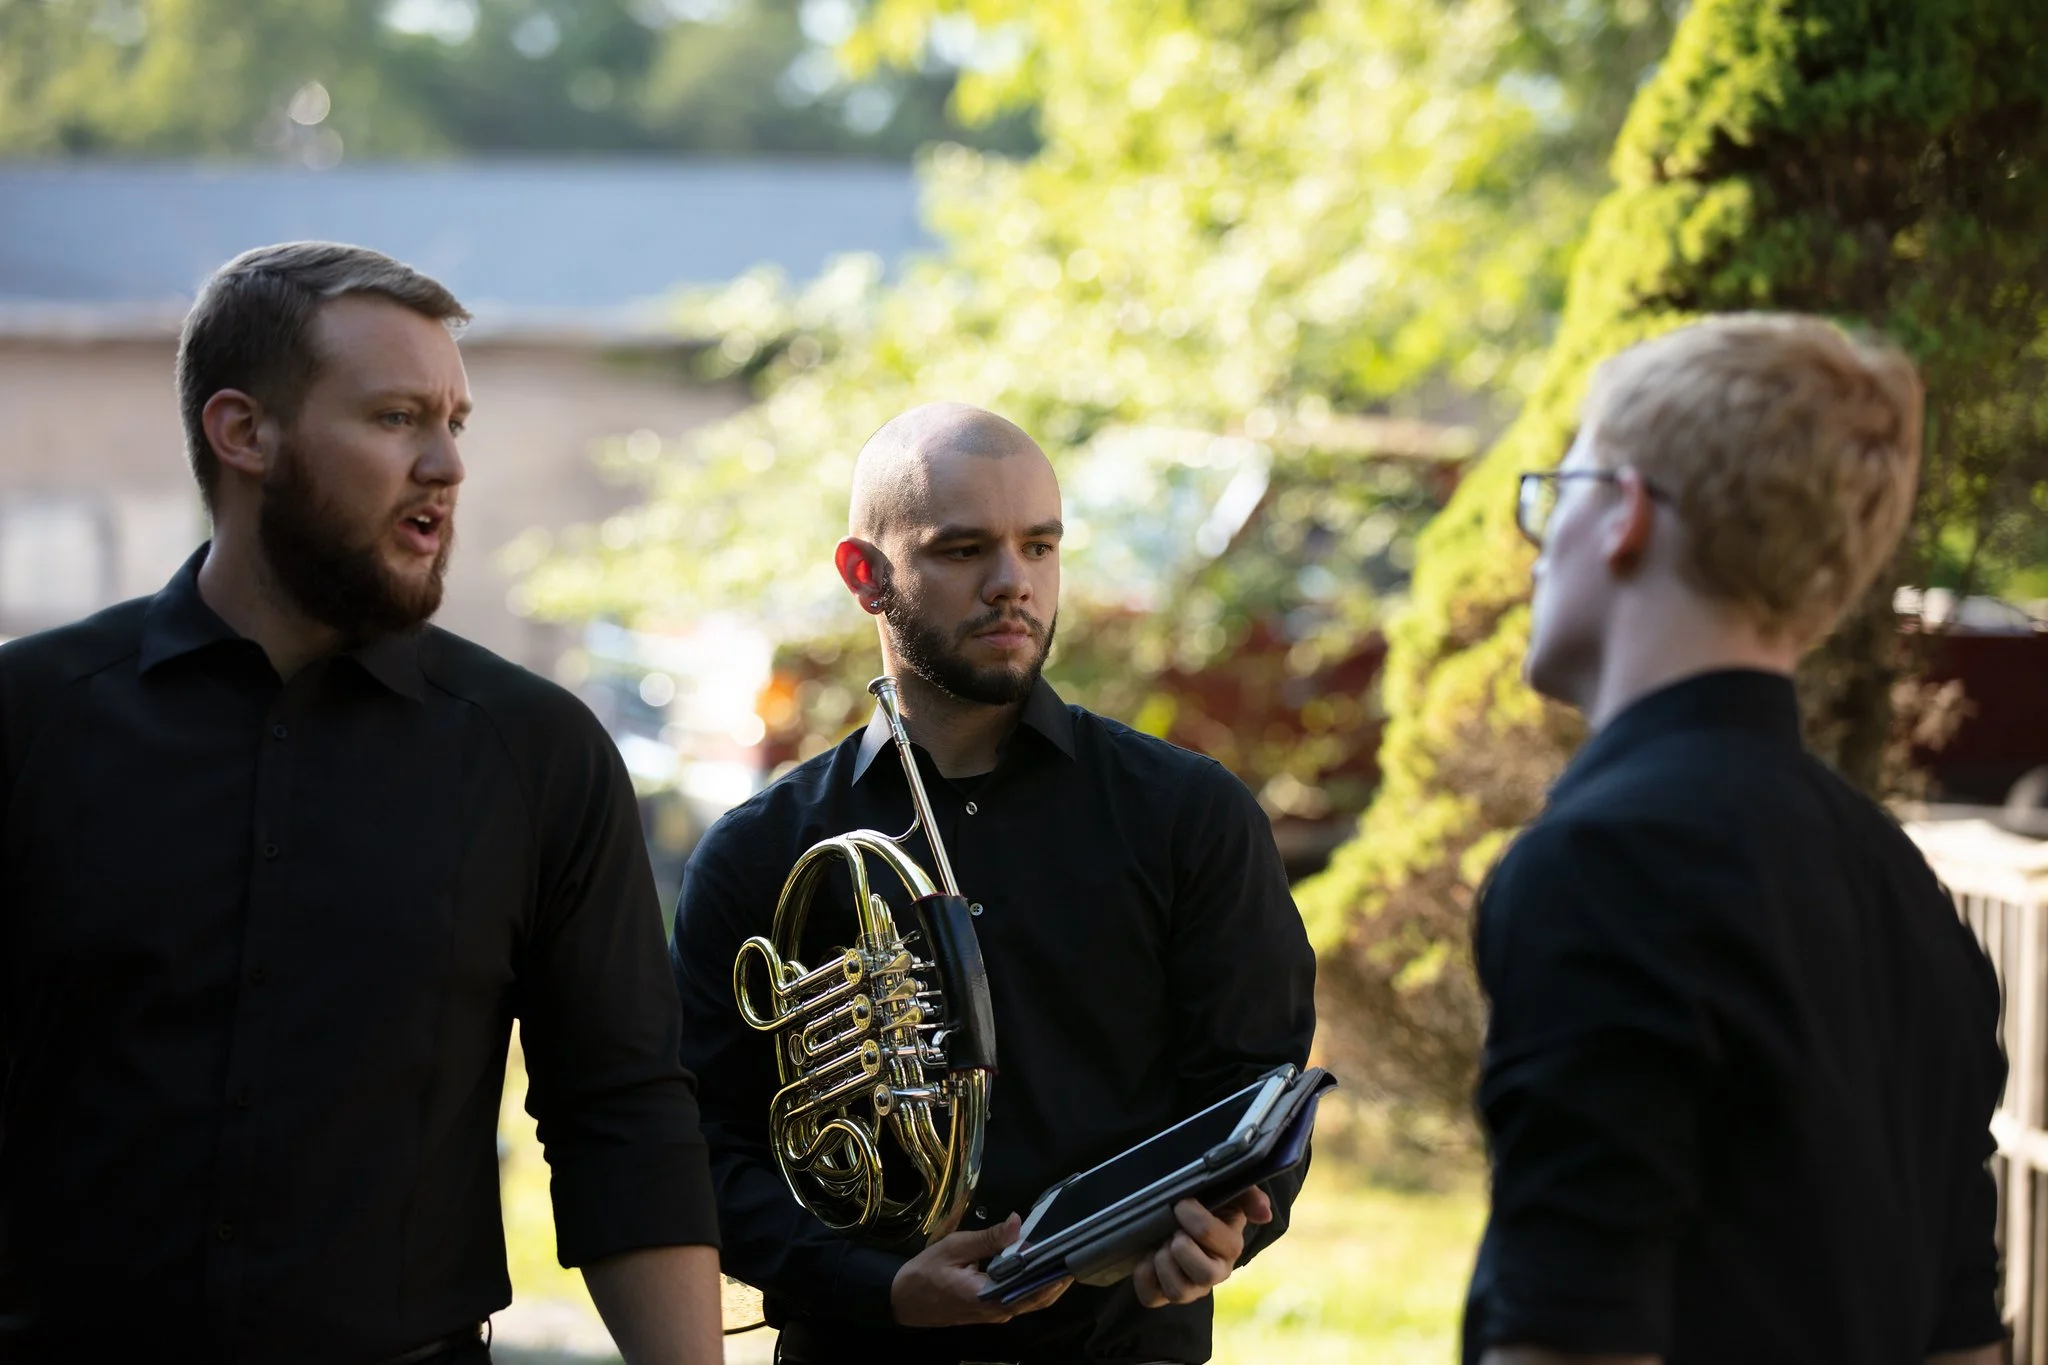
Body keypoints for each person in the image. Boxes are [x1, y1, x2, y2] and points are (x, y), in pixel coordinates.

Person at [0, 242, 724, 1365]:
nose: (447, 464)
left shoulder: (537, 754)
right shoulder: (30, 720)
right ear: (243, 433)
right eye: (396, 418)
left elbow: (623, 1117)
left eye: (455, 422)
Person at [671, 402, 1316, 1364]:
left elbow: (1257, 1091)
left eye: (1039, 546)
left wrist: (1228, 1226)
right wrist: (882, 1287)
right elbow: (698, 1147)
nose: (1013, 581)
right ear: (865, 575)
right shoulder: (759, 852)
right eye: (964, 549)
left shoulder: (1187, 814)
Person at [1464, 315, 2006, 1365]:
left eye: (1555, 493)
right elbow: (1962, 1336)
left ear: (1622, 515)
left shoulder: (1606, 863)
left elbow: (1570, 1339)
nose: (1536, 547)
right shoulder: (1901, 886)